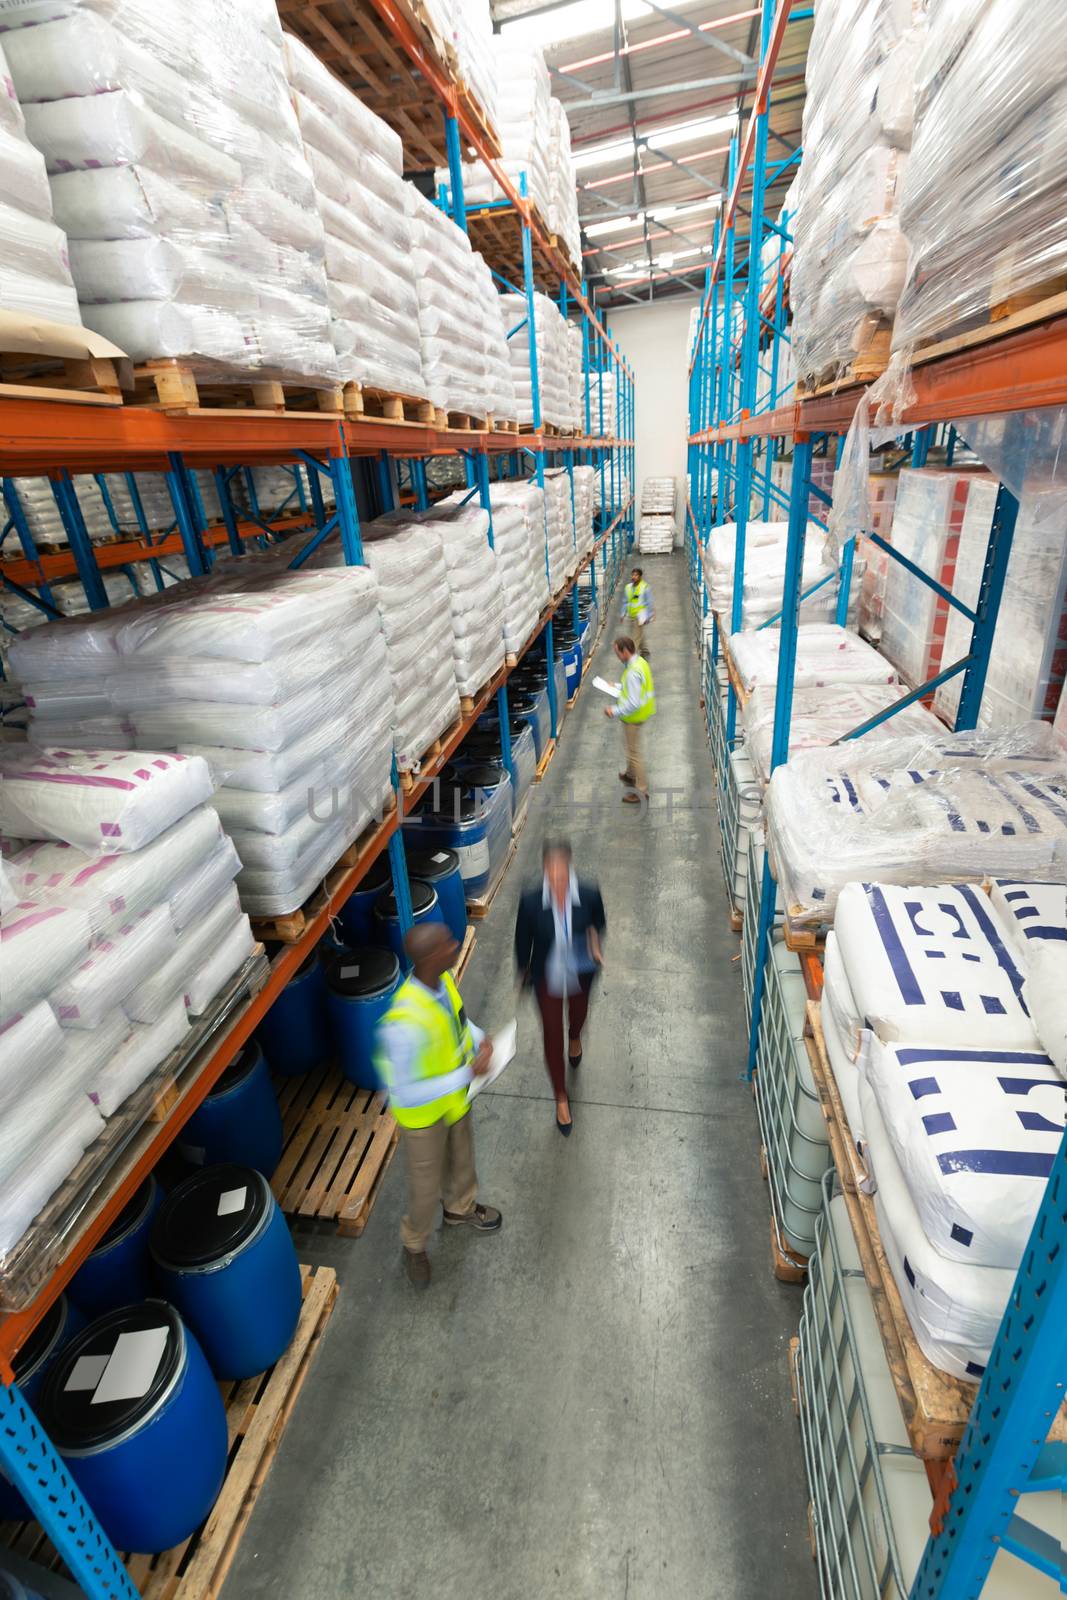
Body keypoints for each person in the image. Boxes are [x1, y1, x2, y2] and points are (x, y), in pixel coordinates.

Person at [376, 922, 502, 1288]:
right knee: (424, 1190)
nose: (454, 945)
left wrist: (481, 1040)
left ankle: (460, 1209)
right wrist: (466, 1074)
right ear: (431, 958)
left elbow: (458, 1022)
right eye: (447, 944)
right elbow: (404, 1093)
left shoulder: (442, 982)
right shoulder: (402, 1023)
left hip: (455, 1103)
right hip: (424, 1120)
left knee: (462, 1162)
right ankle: (414, 1243)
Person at [514, 839, 606, 1135]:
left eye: (562, 877)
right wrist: (522, 971)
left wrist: (594, 946)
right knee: (551, 1033)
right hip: (547, 975)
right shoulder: (530, 902)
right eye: (551, 878)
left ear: (570, 869)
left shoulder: (589, 894)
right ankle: (561, 1097)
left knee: (578, 1014)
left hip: (579, 970)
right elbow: (522, 941)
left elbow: (598, 924)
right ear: (544, 872)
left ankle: (575, 1035)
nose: (557, 884)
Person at [604, 634, 656, 805]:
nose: (617, 657)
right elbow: (634, 689)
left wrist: (614, 710)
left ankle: (642, 791)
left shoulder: (632, 672)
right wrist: (617, 686)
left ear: (625, 651)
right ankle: (630, 774)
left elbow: (633, 702)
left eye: (618, 653)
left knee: (634, 753)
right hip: (641, 712)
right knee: (630, 748)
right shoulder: (639, 662)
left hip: (634, 716)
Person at [620, 566, 654, 656]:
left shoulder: (645, 587)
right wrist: (623, 614)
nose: (634, 577)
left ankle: (632, 656)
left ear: (640, 576)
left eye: (636, 575)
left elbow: (649, 602)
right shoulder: (628, 587)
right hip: (631, 615)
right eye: (633, 575)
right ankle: (645, 650)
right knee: (638, 635)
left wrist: (649, 616)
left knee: (635, 637)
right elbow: (625, 601)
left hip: (640, 616)